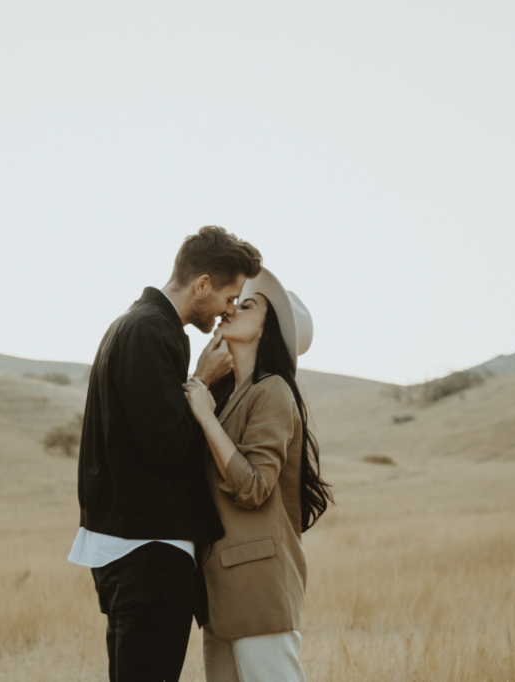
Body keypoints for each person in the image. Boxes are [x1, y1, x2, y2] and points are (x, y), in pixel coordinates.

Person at [69, 226, 262, 682]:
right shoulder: (151, 331)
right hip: (149, 553)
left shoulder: (136, 325)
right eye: (230, 297)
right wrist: (204, 379)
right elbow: (166, 446)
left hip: (133, 550)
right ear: (202, 285)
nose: (229, 310)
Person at [183, 268, 332, 682]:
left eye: (246, 305)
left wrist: (204, 416)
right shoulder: (229, 395)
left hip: (258, 587)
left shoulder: (273, 390)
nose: (230, 310)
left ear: (269, 330)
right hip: (220, 591)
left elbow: (254, 487)